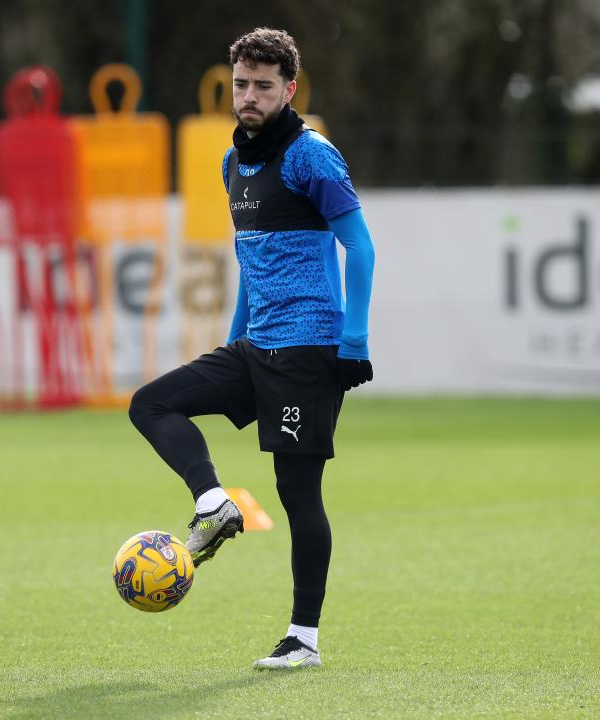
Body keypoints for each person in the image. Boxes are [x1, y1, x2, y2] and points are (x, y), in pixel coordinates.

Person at [129, 27, 375, 670]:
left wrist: (354, 341)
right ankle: (214, 504)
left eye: (264, 86)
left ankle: (304, 638)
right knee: (151, 404)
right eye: (242, 84)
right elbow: (251, 259)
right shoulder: (231, 162)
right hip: (255, 344)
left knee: (297, 494)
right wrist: (235, 335)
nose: (250, 96)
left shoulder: (311, 156)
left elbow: (362, 249)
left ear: (288, 89)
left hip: (307, 350)